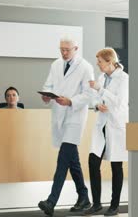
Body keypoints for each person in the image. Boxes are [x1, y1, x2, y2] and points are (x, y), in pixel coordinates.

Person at [37, 37, 94, 216]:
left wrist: (71, 101)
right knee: (72, 161)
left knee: (63, 160)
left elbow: (89, 94)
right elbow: (49, 85)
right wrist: (46, 96)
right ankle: (84, 197)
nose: (64, 53)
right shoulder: (55, 65)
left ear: (76, 48)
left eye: (67, 50)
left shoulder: (86, 67)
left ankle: (51, 201)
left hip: (75, 117)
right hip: (59, 115)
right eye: (61, 49)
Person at [84, 48, 128, 216]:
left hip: (116, 125)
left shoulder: (124, 79)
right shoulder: (102, 78)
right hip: (102, 126)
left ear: (110, 61)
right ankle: (96, 204)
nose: (98, 65)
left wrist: (101, 90)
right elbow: (95, 98)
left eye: (100, 62)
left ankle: (114, 206)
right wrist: (97, 105)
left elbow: (119, 102)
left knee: (116, 165)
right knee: (93, 161)